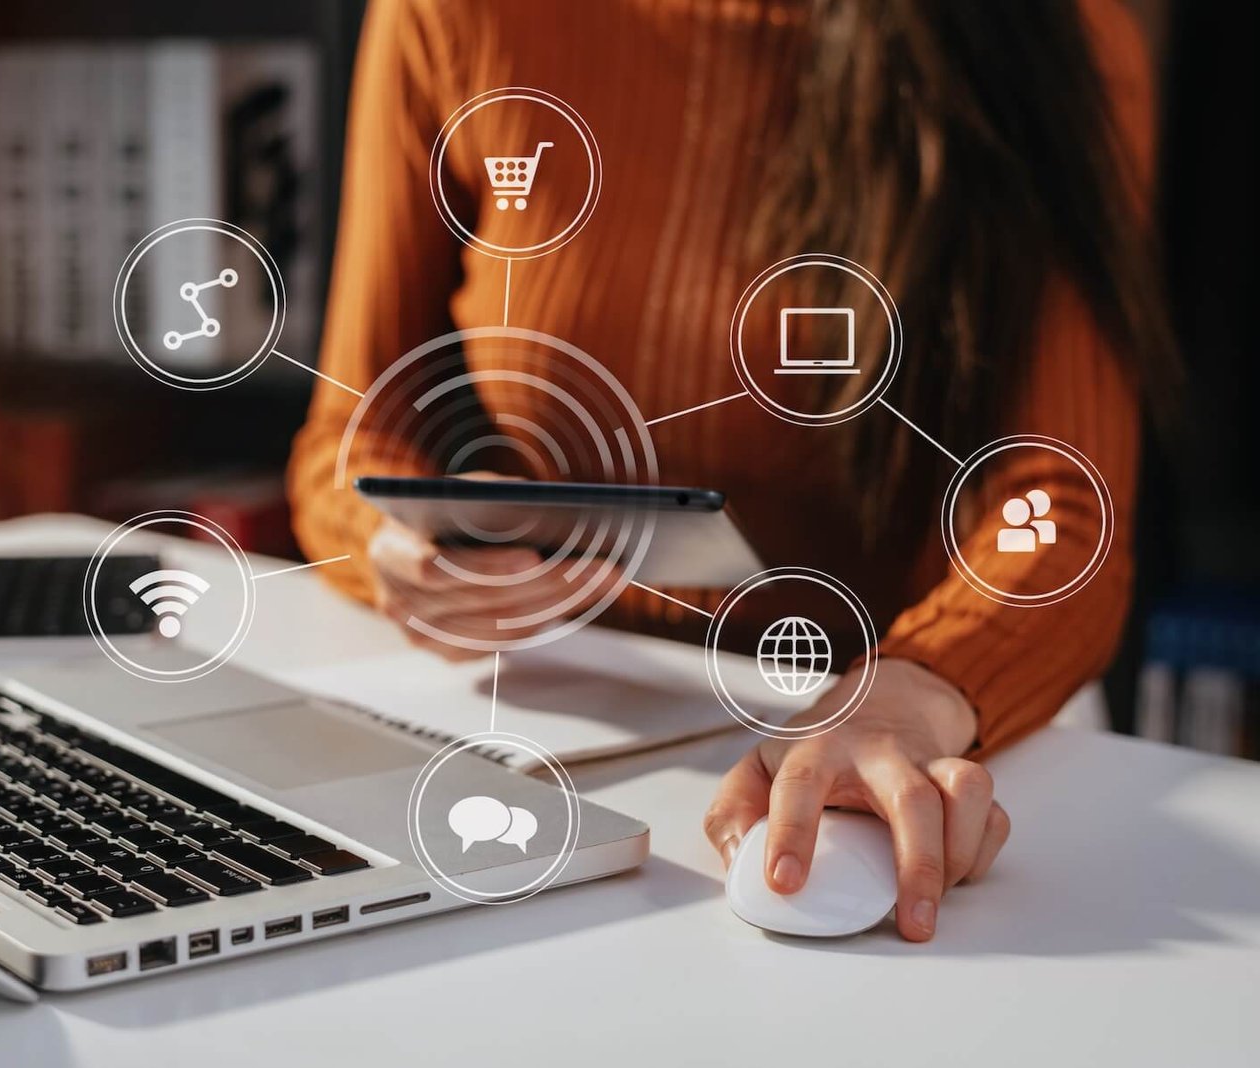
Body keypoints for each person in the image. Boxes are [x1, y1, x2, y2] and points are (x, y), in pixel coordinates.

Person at [287, 0, 1176, 941]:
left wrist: (909, 693)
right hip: (550, 714)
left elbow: (1062, 506)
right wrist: (402, 543)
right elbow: (345, 438)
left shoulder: (1056, 37)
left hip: (861, 709)